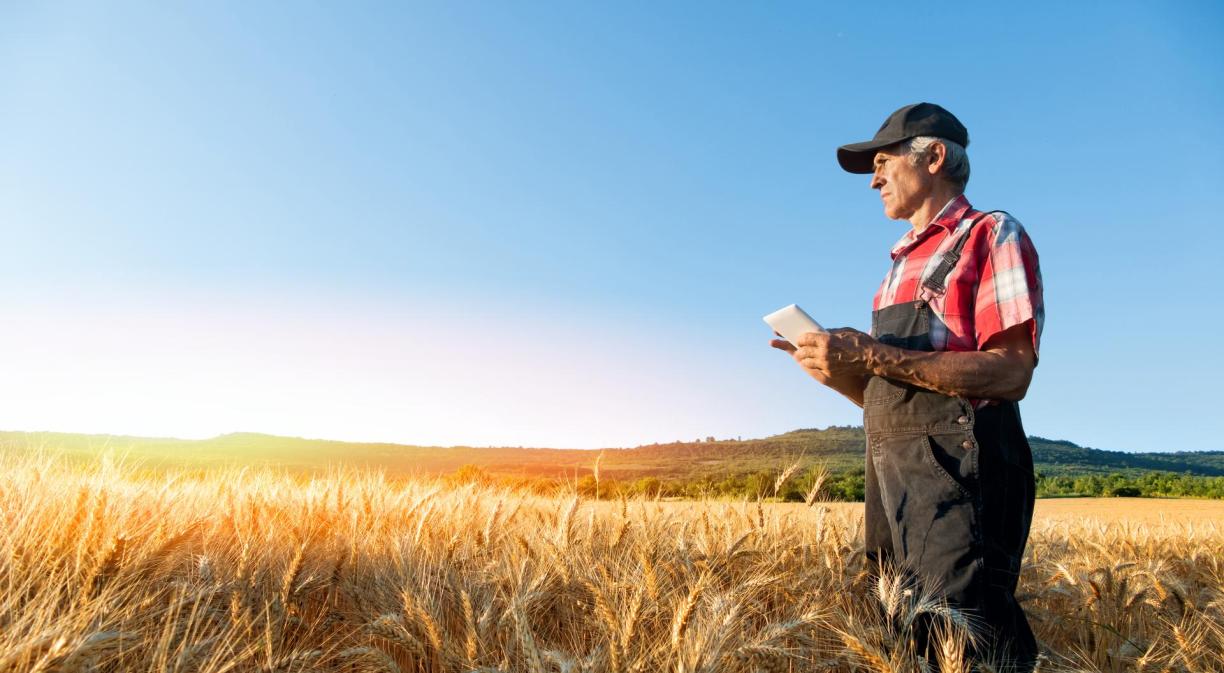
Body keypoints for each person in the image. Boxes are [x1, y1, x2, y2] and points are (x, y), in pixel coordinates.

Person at [770, 102, 1044, 671]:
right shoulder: (895, 268)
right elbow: (903, 395)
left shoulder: (990, 235)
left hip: (964, 474)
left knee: (967, 638)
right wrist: (841, 374)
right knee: (903, 634)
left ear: (935, 156)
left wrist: (870, 352)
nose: (872, 179)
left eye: (882, 162)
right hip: (894, 478)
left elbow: (1012, 372)